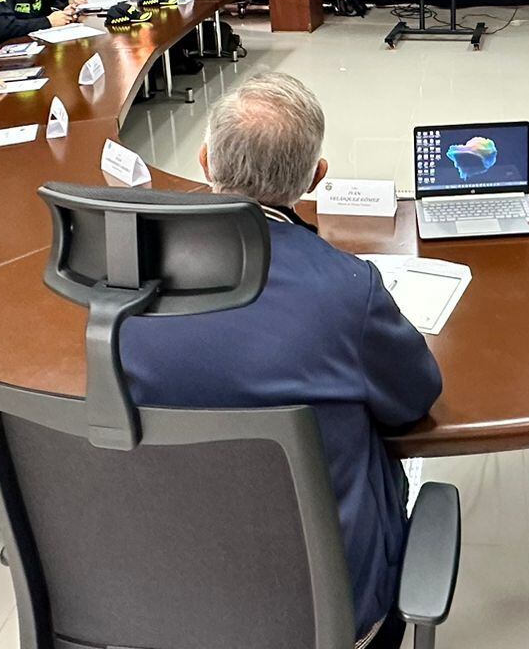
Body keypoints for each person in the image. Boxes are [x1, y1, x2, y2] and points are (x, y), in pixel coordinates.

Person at [119, 73, 441, 649]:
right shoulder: (347, 288)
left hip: (169, 589)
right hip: (331, 610)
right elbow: (412, 402)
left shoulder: (122, 282)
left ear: (203, 161)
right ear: (318, 178)